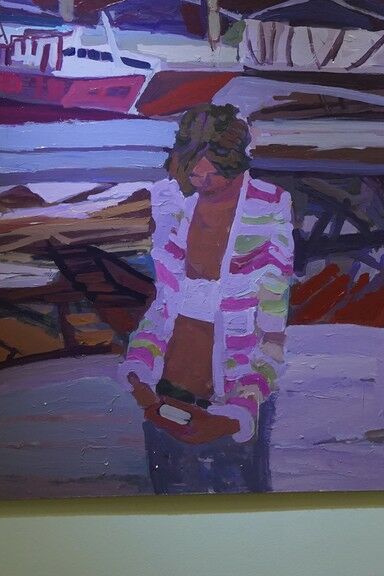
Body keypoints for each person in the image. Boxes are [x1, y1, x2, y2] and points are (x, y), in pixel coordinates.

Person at [118, 103, 294, 493]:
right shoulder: (173, 201)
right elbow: (163, 305)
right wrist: (140, 378)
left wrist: (240, 410)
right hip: (164, 395)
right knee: (172, 510)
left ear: (234, 163)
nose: (202, 182)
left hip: (234, 399)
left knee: (240, 509)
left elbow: (271, 329)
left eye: (212, 173)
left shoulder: (269, 206)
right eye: (194, 173)